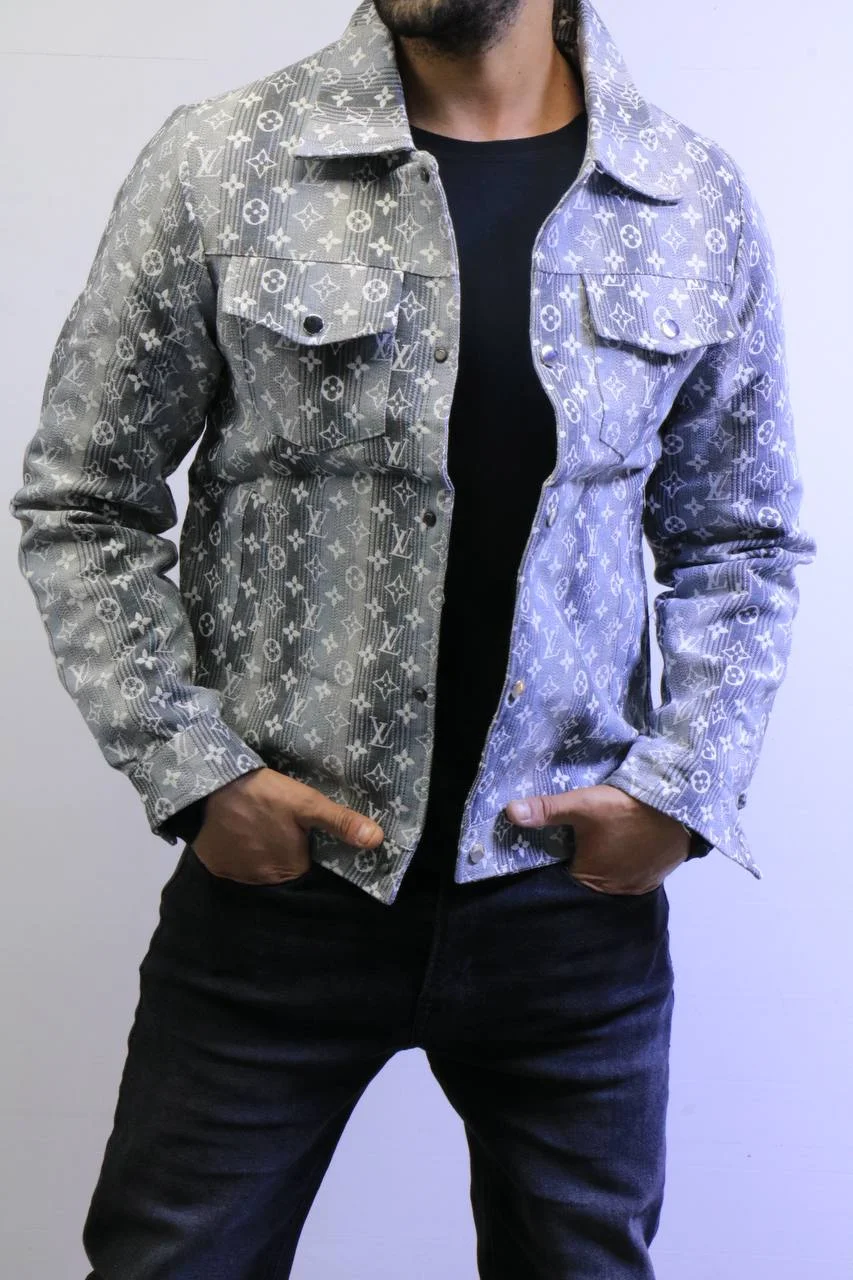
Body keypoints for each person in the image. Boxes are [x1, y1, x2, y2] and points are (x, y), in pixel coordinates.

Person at [9, 0, 816, 1275]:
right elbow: (84, 500)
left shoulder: (688, 195)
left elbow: (742, 541)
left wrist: (680, 791)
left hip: (567, 912)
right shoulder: (223, 160)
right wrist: (196, 773)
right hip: (278, 900)